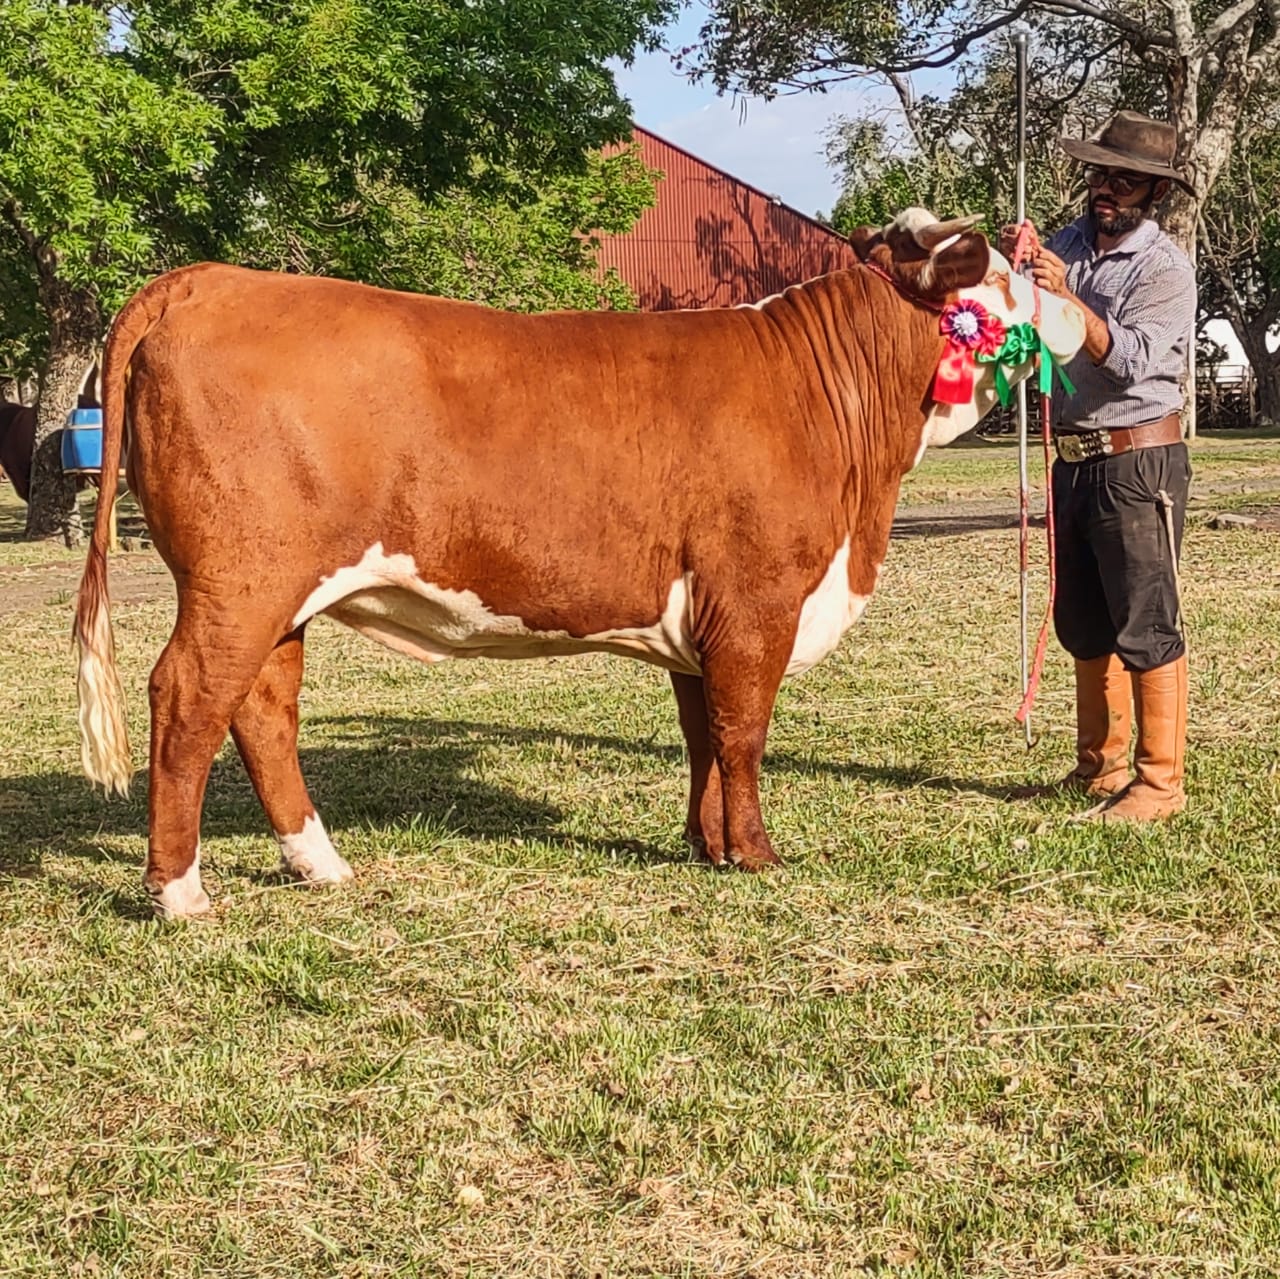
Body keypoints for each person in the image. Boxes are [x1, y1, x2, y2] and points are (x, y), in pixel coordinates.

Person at [1002, 111, 1197, 821]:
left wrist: (1068, 300)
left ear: (1156, 192)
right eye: (1099, 173)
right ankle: (1099, 765)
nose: (1105, 188)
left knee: (1146, 620)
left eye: (1125, 180)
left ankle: (1159, 783)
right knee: (1084, 621)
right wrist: (1016, 271)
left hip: (1138, 461)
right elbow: (1028, 318)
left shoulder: (1165, 268)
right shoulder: (1068, 243)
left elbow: (1132, 362)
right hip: (1073, 459)